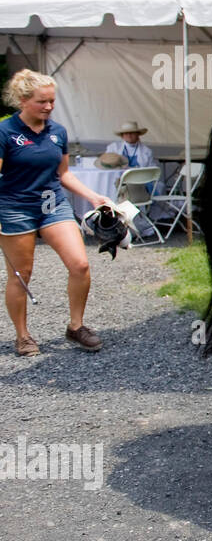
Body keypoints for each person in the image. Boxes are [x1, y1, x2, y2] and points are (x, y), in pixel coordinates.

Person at [0, 70, 112, 356]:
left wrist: (93, 196)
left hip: (52, 204)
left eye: (52, 101)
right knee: (21, 274)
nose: (49, 107)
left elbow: (63, 174)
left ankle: (76, 327)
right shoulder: (5, 132)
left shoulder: (57, 132)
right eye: (42, 102)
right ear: (23, 100)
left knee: (80, 265)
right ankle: (23, 336)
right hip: (15, 208)